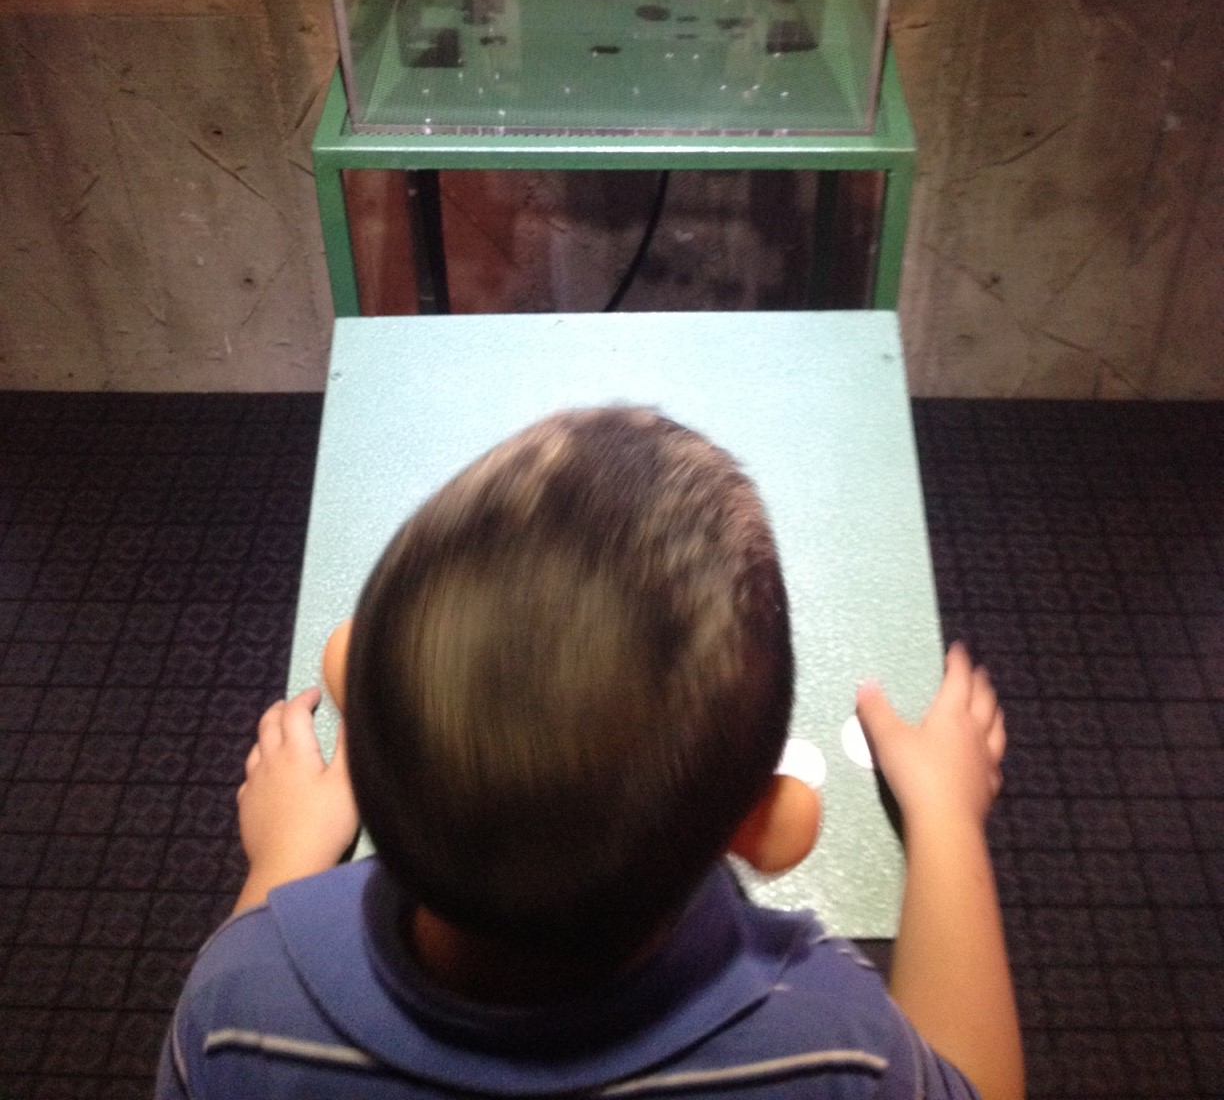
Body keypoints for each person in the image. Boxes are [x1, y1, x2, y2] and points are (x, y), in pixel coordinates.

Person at [156, 407, 1023, 1100]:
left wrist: (284, 860)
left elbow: (243, 990)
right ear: (766, 825)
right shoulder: (828, 1041)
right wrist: (946, 816)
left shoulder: (237, 1006)